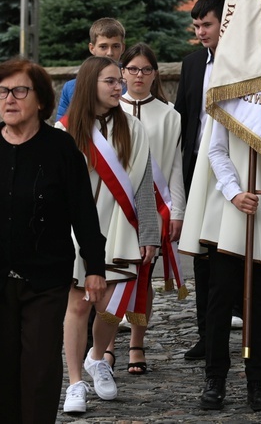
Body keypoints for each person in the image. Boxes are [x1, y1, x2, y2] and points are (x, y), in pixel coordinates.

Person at [0, 59, 107, 423]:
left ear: (41, 100)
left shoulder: (61, 149)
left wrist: (95, 268)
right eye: (2, 92)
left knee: (40, 368)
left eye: (19, 91)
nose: (9, 99)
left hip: (46, 280)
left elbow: (83, 213)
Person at [178, 87, 261, 410]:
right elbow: (215, 150)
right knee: (220, 299)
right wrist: (234, 192)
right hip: (230, 211)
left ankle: (258, 381)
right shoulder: (228, 93)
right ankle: (215, 377)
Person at [57, 56, 159, 414]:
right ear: (90, 84)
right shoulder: (63, 130)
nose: (120, 86)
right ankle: (74, 383)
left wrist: (150, 232)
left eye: (120, 80)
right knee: (79, 303)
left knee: (111, 306)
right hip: (74, 231)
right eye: (111, 81)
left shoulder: (133, 128)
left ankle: (97, 357)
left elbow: (145, 186)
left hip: (119, 228)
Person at [117, 42, 186, 374]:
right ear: (122, 72)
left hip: (155, 205)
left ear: (155, 73)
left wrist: (178, 210)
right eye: (132, 69)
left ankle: (136, 343)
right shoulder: (110, 110)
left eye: (145, 69)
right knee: (113, 273)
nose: (139, 75)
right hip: (114, 206)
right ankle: (102, 347)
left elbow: (174, 167)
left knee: (143, 275)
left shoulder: (169, 114)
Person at [174, 0, 236, 360]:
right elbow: (184, 115)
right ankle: (205, 335)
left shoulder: (240, 66)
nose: (200, 32)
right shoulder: (192, 63)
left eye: (207, 24)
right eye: (196, 26)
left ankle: (232, 324)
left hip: (231, 164)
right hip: (197, 162)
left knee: (227, 250)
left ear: (222, 24)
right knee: (201, 255)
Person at [56, 18, 127, 120]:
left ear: (123, 48)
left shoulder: (130, 85)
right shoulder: (72, 87)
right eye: (103, 47)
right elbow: (61, 129)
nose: (110, 53)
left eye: (115, 46)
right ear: (92, 48)